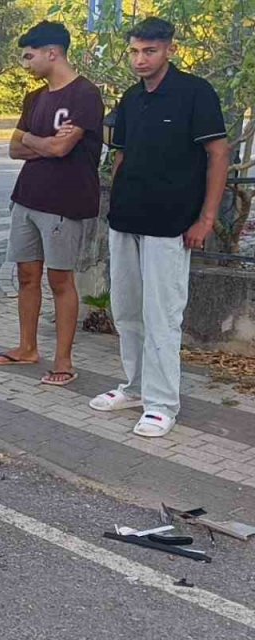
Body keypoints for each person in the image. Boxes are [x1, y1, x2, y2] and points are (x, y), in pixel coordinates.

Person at [90, 17, 229, 438]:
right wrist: (116, 199)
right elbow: (122, 155)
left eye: (148, 51)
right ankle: (134, 388)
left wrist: (206, 218)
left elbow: (218, 155)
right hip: (126, 219)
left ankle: (162, 403)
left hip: (171, 225)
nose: (139, 59)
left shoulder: (195, 93)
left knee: (162, 315)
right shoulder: (132, 98)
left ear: (169, 48)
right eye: (134, 51)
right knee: (127, 311)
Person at [0, 21, 104, 389]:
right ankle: (26, 348)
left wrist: (38, 143)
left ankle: (64, 360)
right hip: (26, 198)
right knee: (26, 276)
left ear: (53, 53)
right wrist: (43, 143)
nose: (25, 62)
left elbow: (61, 148)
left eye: (29, 55)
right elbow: (14, 147)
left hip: (65, 202)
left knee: (60, 280)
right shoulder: (34, 98)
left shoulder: (85, 94)